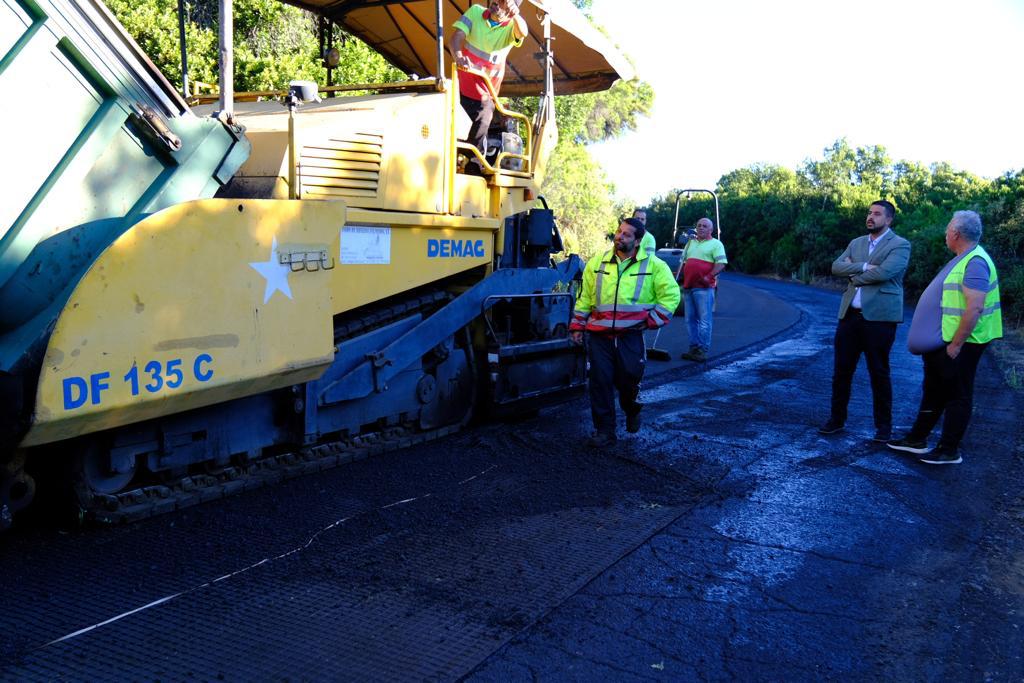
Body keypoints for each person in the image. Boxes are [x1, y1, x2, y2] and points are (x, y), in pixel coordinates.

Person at [887, 210, 1002, 464]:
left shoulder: (975, 262)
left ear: (956, 234)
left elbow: (975, 307)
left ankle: (949, 450)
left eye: (948, 229)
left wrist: (957, 344)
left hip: (964, 343)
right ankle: (917, 439)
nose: (945, 233)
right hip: (947, 343)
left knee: (957, 395)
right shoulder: (964, 258)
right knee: (934, 390)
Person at [570, 218, 680, 447]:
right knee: (600, 382)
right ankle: (604, 431)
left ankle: (632, 409)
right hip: (599, 334)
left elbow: (671, 296)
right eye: (619, 232)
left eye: (627, 234)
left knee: (628, 379)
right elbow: (585, 298)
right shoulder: (597, 263)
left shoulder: (654, 266)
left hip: (631, 334)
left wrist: (653, 320)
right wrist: (577, 325)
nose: (620, 236)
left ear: (638, 241)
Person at [819, 200, 911, 442]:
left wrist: (855, 275)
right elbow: (836, 267)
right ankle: (836, 420)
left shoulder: (900, 245)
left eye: (877, 214)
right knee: (841, 372)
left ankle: (883, 428)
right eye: (869, 213)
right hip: (849, 317)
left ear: (889, 219)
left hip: (879, 319)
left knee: (879, 373)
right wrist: (865, 266)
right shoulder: (856, 242)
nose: (871, 217)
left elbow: (886, 273)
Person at [450, 0, 527, 174]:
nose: (496, 2)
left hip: (485, 93)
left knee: (485, 111)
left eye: (502, 1)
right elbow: (456, 38)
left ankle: (473, 162)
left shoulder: (511, 28)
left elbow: (523, 31)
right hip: (460, 86)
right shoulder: (476, 12)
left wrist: (516, 16)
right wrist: (459, 56)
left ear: (511, 9)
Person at [677, 217, 727, 362]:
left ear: (711, 230)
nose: (701, 228)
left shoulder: (716, 244)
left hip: (704, 288)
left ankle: (702, 350)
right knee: (690, 320)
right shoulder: (690, 243)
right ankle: (693, 347)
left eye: (704, 226)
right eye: (699, 225)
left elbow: (722, 263)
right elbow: (683, 262)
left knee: (704, 320)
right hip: (688, 286)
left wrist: (709, 276)